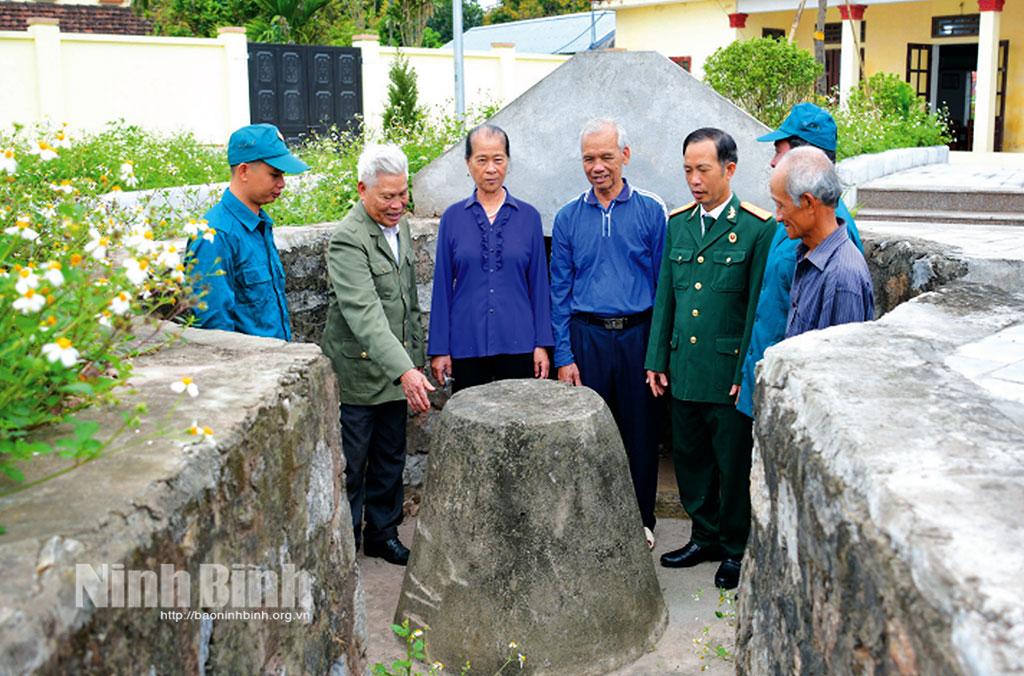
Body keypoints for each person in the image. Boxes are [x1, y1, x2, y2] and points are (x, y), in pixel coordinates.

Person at [645, 128, 773, 590]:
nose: (694, 180)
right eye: (687, 170)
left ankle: (736, 546)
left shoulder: (758, 228)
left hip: (727, 371)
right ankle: (704, 535)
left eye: (703, 169)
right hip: (684, 367)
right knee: (691, 457)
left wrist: (746, 371)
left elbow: (758, 306)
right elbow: (667, 297)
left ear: (729, 169)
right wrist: (657, 357)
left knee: (732, 462)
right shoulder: (678, 223)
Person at [550, 118, 667, 549]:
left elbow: (662, 289)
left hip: (637, 336)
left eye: (606, 156)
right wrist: (564, 355)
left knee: (640, 433)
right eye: (589, 158)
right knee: (585, 434)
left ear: (625, 156)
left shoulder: (652, 210)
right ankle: (589, 519)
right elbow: (558, 292)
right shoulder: (567, 216)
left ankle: (641, 521)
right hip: (587, 338)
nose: (597, 166)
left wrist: (657, 355)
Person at [321, 143, 434, 567]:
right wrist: (405, 370)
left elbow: (407, 301)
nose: (398, 204)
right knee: (352, 464)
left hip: (396, 370)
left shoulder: (398, 226)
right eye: (387, 196)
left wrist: (415, 360)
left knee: (391, 458)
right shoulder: (348, 240)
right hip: (360, 375)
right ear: (361, 189)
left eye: (402, 195)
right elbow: (365, 315)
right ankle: (347, 543)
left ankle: (382, 535)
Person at [738, 103, 864, 417]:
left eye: (779, 152)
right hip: (771, 389)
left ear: (806, 162)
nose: (772, 161)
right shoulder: (797, 227)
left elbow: (840, 366)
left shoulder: (840, 255)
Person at [428, 124, 553, 392]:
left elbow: (540, 286)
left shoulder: (529, 217)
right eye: (481, 160)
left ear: (508, 161)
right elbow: (441, 288)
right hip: (466, 343)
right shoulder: (453, 218)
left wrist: (542, 344)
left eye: (498, 159)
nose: (491, 169)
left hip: (519, 343)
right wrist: (439, 349)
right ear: (468, 163)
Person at [188, 123, 308, 339]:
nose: (282, 183)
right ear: (244, 171)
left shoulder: (259, 224)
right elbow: (214, 329)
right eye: (274, 175)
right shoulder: (215, 235)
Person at [771, 147, 874, 337]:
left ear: (809, 203)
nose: (777, 217)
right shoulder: (809, 255)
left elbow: (839, 362)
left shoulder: (841, 277)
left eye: (781, 206)